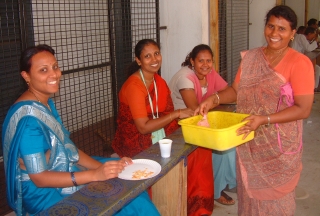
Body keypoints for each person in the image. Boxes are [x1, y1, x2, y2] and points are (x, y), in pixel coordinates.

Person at [2, 44, 160, 216]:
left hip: (61, 167)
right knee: (116, 204)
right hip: (42, 191)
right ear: (26, 76)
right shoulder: (29, 121)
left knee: (126, 184)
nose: (54, 74)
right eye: (43, 70)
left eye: (55, 67)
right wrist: (95, 175)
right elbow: (39, 178)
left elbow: (67, 148)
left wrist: (105, 169)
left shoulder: (45, 102)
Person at [195, 5, 314, 215]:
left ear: (293, 32)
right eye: (270, 26)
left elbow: (303, 109)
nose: (274, 34)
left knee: (276, 204)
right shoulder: (251, 58)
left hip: (278, 147)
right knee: (249, 200)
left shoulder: (300, 63)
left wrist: (264, 119)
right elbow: (235, 91)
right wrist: (214, 99)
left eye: (282, 29)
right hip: (249, 140)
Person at [111, 39, 213, 216]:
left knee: (200, 149)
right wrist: (177, 114)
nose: (154, 59)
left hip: (163, 131)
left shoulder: (159, 81)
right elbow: (143, 127)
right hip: (137, 140)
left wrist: (185, 123)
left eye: (156, 53)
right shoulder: (134, 85)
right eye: (147, 56)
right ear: (138, 60)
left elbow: (167, 112)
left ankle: (196, 208)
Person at [169, 44, 236, 206]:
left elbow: (230, 93)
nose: (205, 65)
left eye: (209, 61)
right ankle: (216, 189)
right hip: (179, 125)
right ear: (192, 61)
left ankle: (224, 181)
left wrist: (215, 99)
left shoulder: (210, 74)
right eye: (201, 61)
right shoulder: (185, 77)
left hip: (198, 121)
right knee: (221, 148)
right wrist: (214, 100)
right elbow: (194, 109)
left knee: (230, 143)